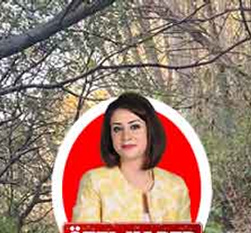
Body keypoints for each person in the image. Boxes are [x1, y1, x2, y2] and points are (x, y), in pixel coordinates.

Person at [71, 93, 192, 223]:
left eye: (134, 127)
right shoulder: (95, 182)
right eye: (117, 129)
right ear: (110, 135)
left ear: (150, 130)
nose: (126, 137)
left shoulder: (175, 186)